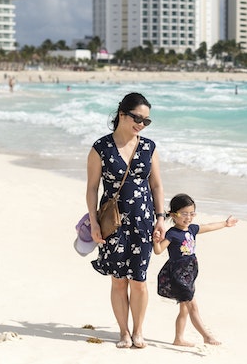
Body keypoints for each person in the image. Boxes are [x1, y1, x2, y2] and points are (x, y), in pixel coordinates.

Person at [86, 92, 166, 349]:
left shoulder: (148, 147)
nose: (141, 124)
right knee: (119, 280)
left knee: (139, 281)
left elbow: (156, 185)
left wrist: (161, 218)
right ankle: (123, 332)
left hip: (143, 222)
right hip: (114, 223)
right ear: (122, 114)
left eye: (146, 121)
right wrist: (94, 223)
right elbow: (91, 188)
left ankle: (138, 331)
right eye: (137, 118)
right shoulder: (101, 148)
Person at [152, 193, 238, 347]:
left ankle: (179, 338)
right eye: (184, 214)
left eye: (192, 213)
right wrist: (156, 241)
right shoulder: (172, 233)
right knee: (192, 305)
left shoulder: (191, 229)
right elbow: (158, 251)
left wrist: (225, 224)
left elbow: (209, 226)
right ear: (173, 215)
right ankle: (206, 336)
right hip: (178, 274)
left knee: (184, 309)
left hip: (190, 272)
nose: (188, 217)